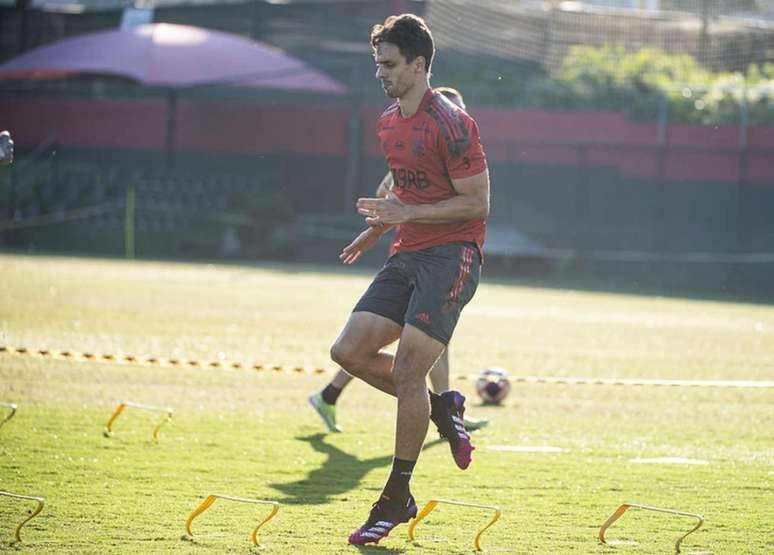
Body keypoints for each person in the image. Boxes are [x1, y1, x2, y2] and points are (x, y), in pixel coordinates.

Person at [328, 14, 491, 546]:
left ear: (420, 65)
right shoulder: (388, 122)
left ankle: (396, 497)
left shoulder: (454, 125)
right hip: (405, 252)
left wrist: (403, 219)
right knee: (347, 352)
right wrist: (374, 232)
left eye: (390, 64)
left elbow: (477, 203)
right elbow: (403, 190)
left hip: (452, 257)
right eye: (378, 62)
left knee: (406, 372)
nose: (381, 72)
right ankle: (441, 406)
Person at [309, 87, 488, 434]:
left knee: (406, 345)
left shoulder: (452, 144)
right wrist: (399, 215)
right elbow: (385, 190)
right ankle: (446, 410)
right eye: (457, 109)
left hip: (437, 255)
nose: (461, 117)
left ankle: (331, 394)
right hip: (415, 256)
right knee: (408, 344)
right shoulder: (420, 140)